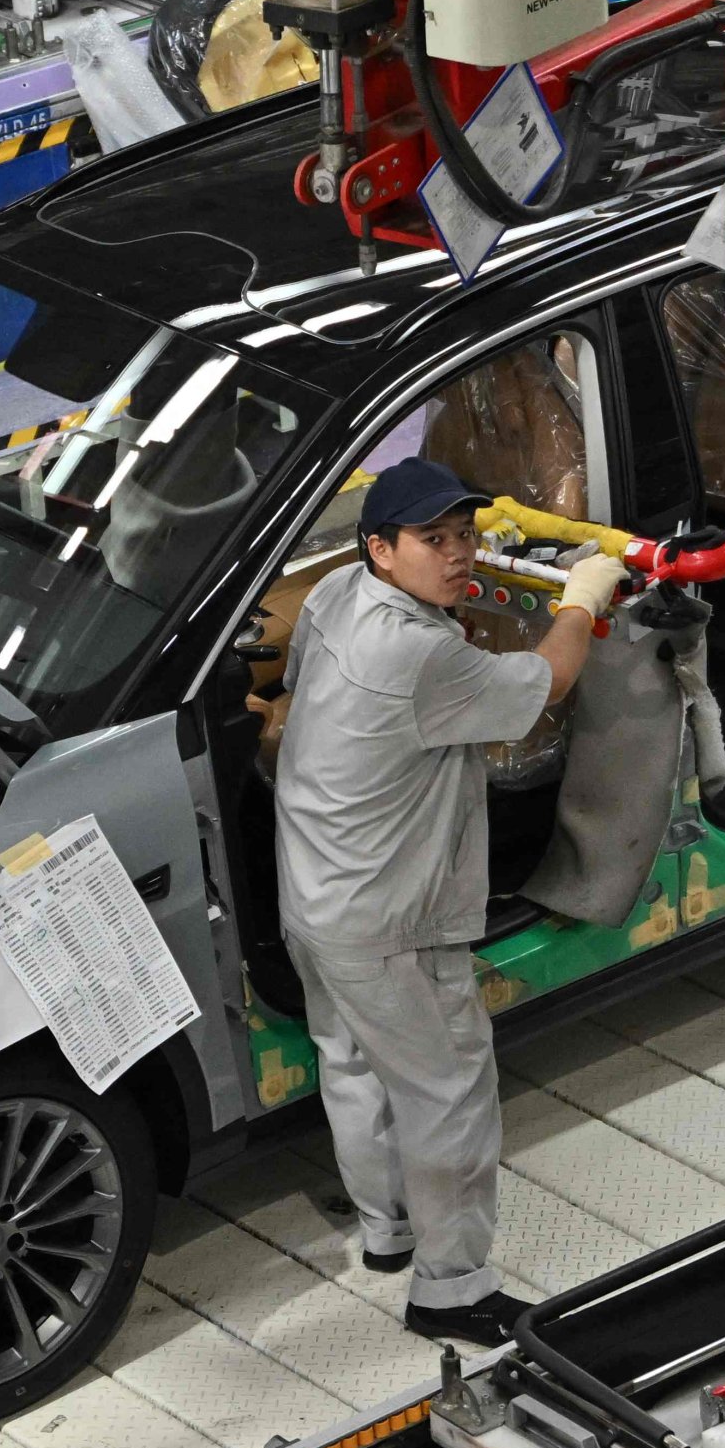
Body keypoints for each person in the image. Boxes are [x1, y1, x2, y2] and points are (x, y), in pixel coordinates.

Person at [274, 458, 627, 1343]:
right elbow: (543, 683)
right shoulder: (418, 654)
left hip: (314, 888)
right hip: (389, 918)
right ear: (381, 548)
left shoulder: (334, 598)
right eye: (433, 540)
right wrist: (581, 597)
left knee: (351, 1060)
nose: (458, 554)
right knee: (448, 1090)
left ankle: (388, 1229)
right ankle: (453, 1291)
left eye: (465, 535)